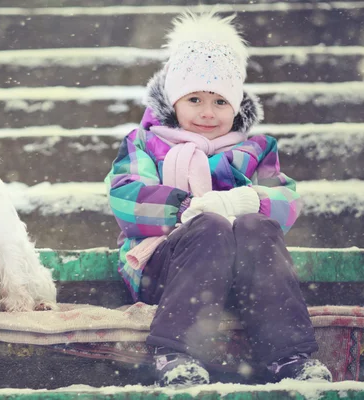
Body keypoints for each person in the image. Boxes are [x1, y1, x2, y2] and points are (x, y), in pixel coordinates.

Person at [104, 11, 332, 387]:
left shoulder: (255, 148)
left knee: (257, 226)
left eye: (220, 102)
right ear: (173, 102)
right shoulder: (145, 142)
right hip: (165, 268)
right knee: (208, 226)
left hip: (245, 274)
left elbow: (286, 201)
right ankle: (176, 353)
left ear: (237, 105)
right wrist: (185, 208)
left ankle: (289, 356)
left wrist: (248, 201)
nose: (207, 113)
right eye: (194, 99)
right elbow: (127, 197)